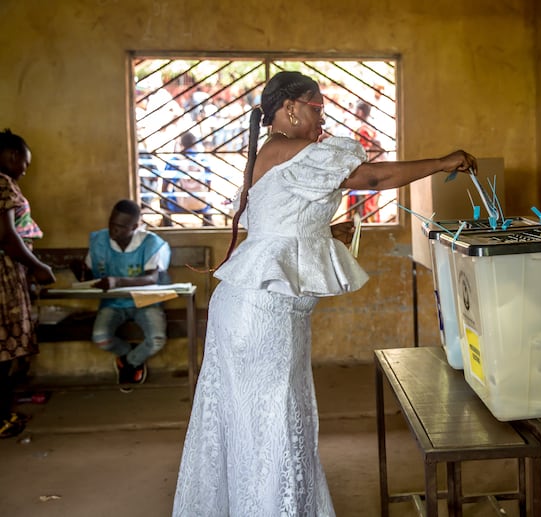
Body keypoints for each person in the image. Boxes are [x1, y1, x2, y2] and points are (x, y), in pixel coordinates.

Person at [172, 71, 477, 516]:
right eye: (317, 107)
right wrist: (442, 161)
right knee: (272, 425)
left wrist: (321, 230)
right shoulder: (285, 148)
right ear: (291, 107)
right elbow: (369, 179)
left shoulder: (279, 155)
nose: (322, 116)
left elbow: (275, 224)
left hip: (262, 311)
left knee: (270, 423)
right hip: (260, 315)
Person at [73, 200, 171, 392]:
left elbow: (152, 278)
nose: (113, 230)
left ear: (134, 226)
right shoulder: (99, 241)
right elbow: (92, 277)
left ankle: (130, 362)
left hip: (146, 301)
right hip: (113, 303)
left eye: (119, 226)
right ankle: (129, 354)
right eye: (111, 223)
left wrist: (117, 282)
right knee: (100, 337)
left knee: (157, 339)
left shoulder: (152, 243)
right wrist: (80, 272)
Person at [0, 129, 56, 438]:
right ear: (10, 154)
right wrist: (38, 267)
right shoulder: (1, 183)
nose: (24, 169)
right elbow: (7, 237)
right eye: (24, 162)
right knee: (6, 347)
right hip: (4, 275)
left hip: (10, 270)